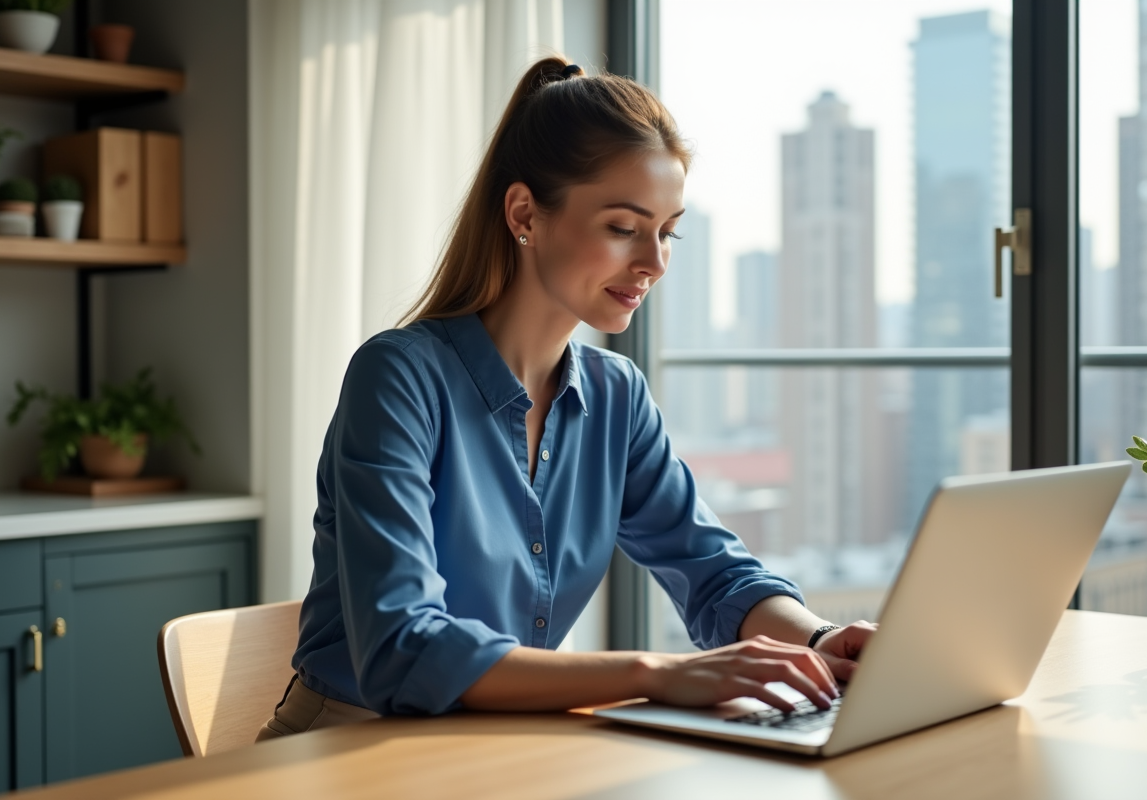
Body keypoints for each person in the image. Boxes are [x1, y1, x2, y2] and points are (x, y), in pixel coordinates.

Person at [257, 56, 876, 741]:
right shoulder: (397, 377)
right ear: (525, 214)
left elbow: (715, 573)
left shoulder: (615, 396)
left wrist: (818, 639)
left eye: (667, 231)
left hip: (496, 745)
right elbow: (404, 648)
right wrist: (654, 673)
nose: (654, 262)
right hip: (347, 744)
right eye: (622, 227)